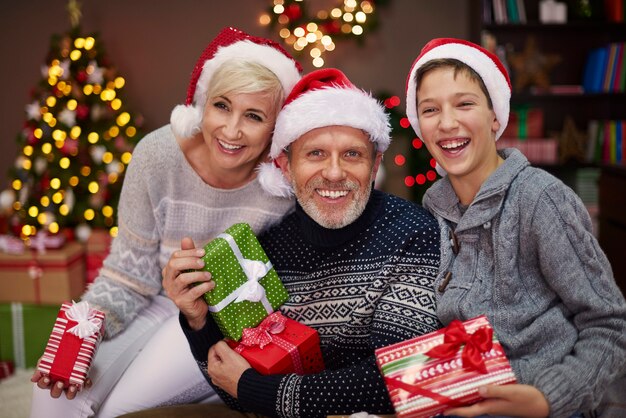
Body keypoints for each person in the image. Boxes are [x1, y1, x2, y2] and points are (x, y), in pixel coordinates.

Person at [29, 26, 302, 418]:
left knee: (120, 411)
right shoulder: (158, 155)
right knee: (56, 395)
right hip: (150, 302)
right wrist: (79, 339)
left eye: (254, 116)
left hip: (215, 321)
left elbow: (274, 298)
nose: (231, 130)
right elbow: (127, 274)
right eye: (221, 106)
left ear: (275, 127)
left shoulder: (283, 185)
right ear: (201, 104)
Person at [158, 68, 442, 418]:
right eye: (315, 154)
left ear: (375, 164)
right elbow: (232, 388)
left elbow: (402, 378)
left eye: (352, 154)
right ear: (285, 166)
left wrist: (255, 388)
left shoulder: (413, 233)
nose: (335, 173)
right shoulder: (264, 246)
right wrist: (199, 322)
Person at [404, 37, 626, 417]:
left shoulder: (540, 199)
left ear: (495, 117)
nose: (447, 122)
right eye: (430, 109)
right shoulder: (433, 208)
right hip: (464, 400)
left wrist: (547, 399)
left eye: (464, 103)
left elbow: (610, 326)